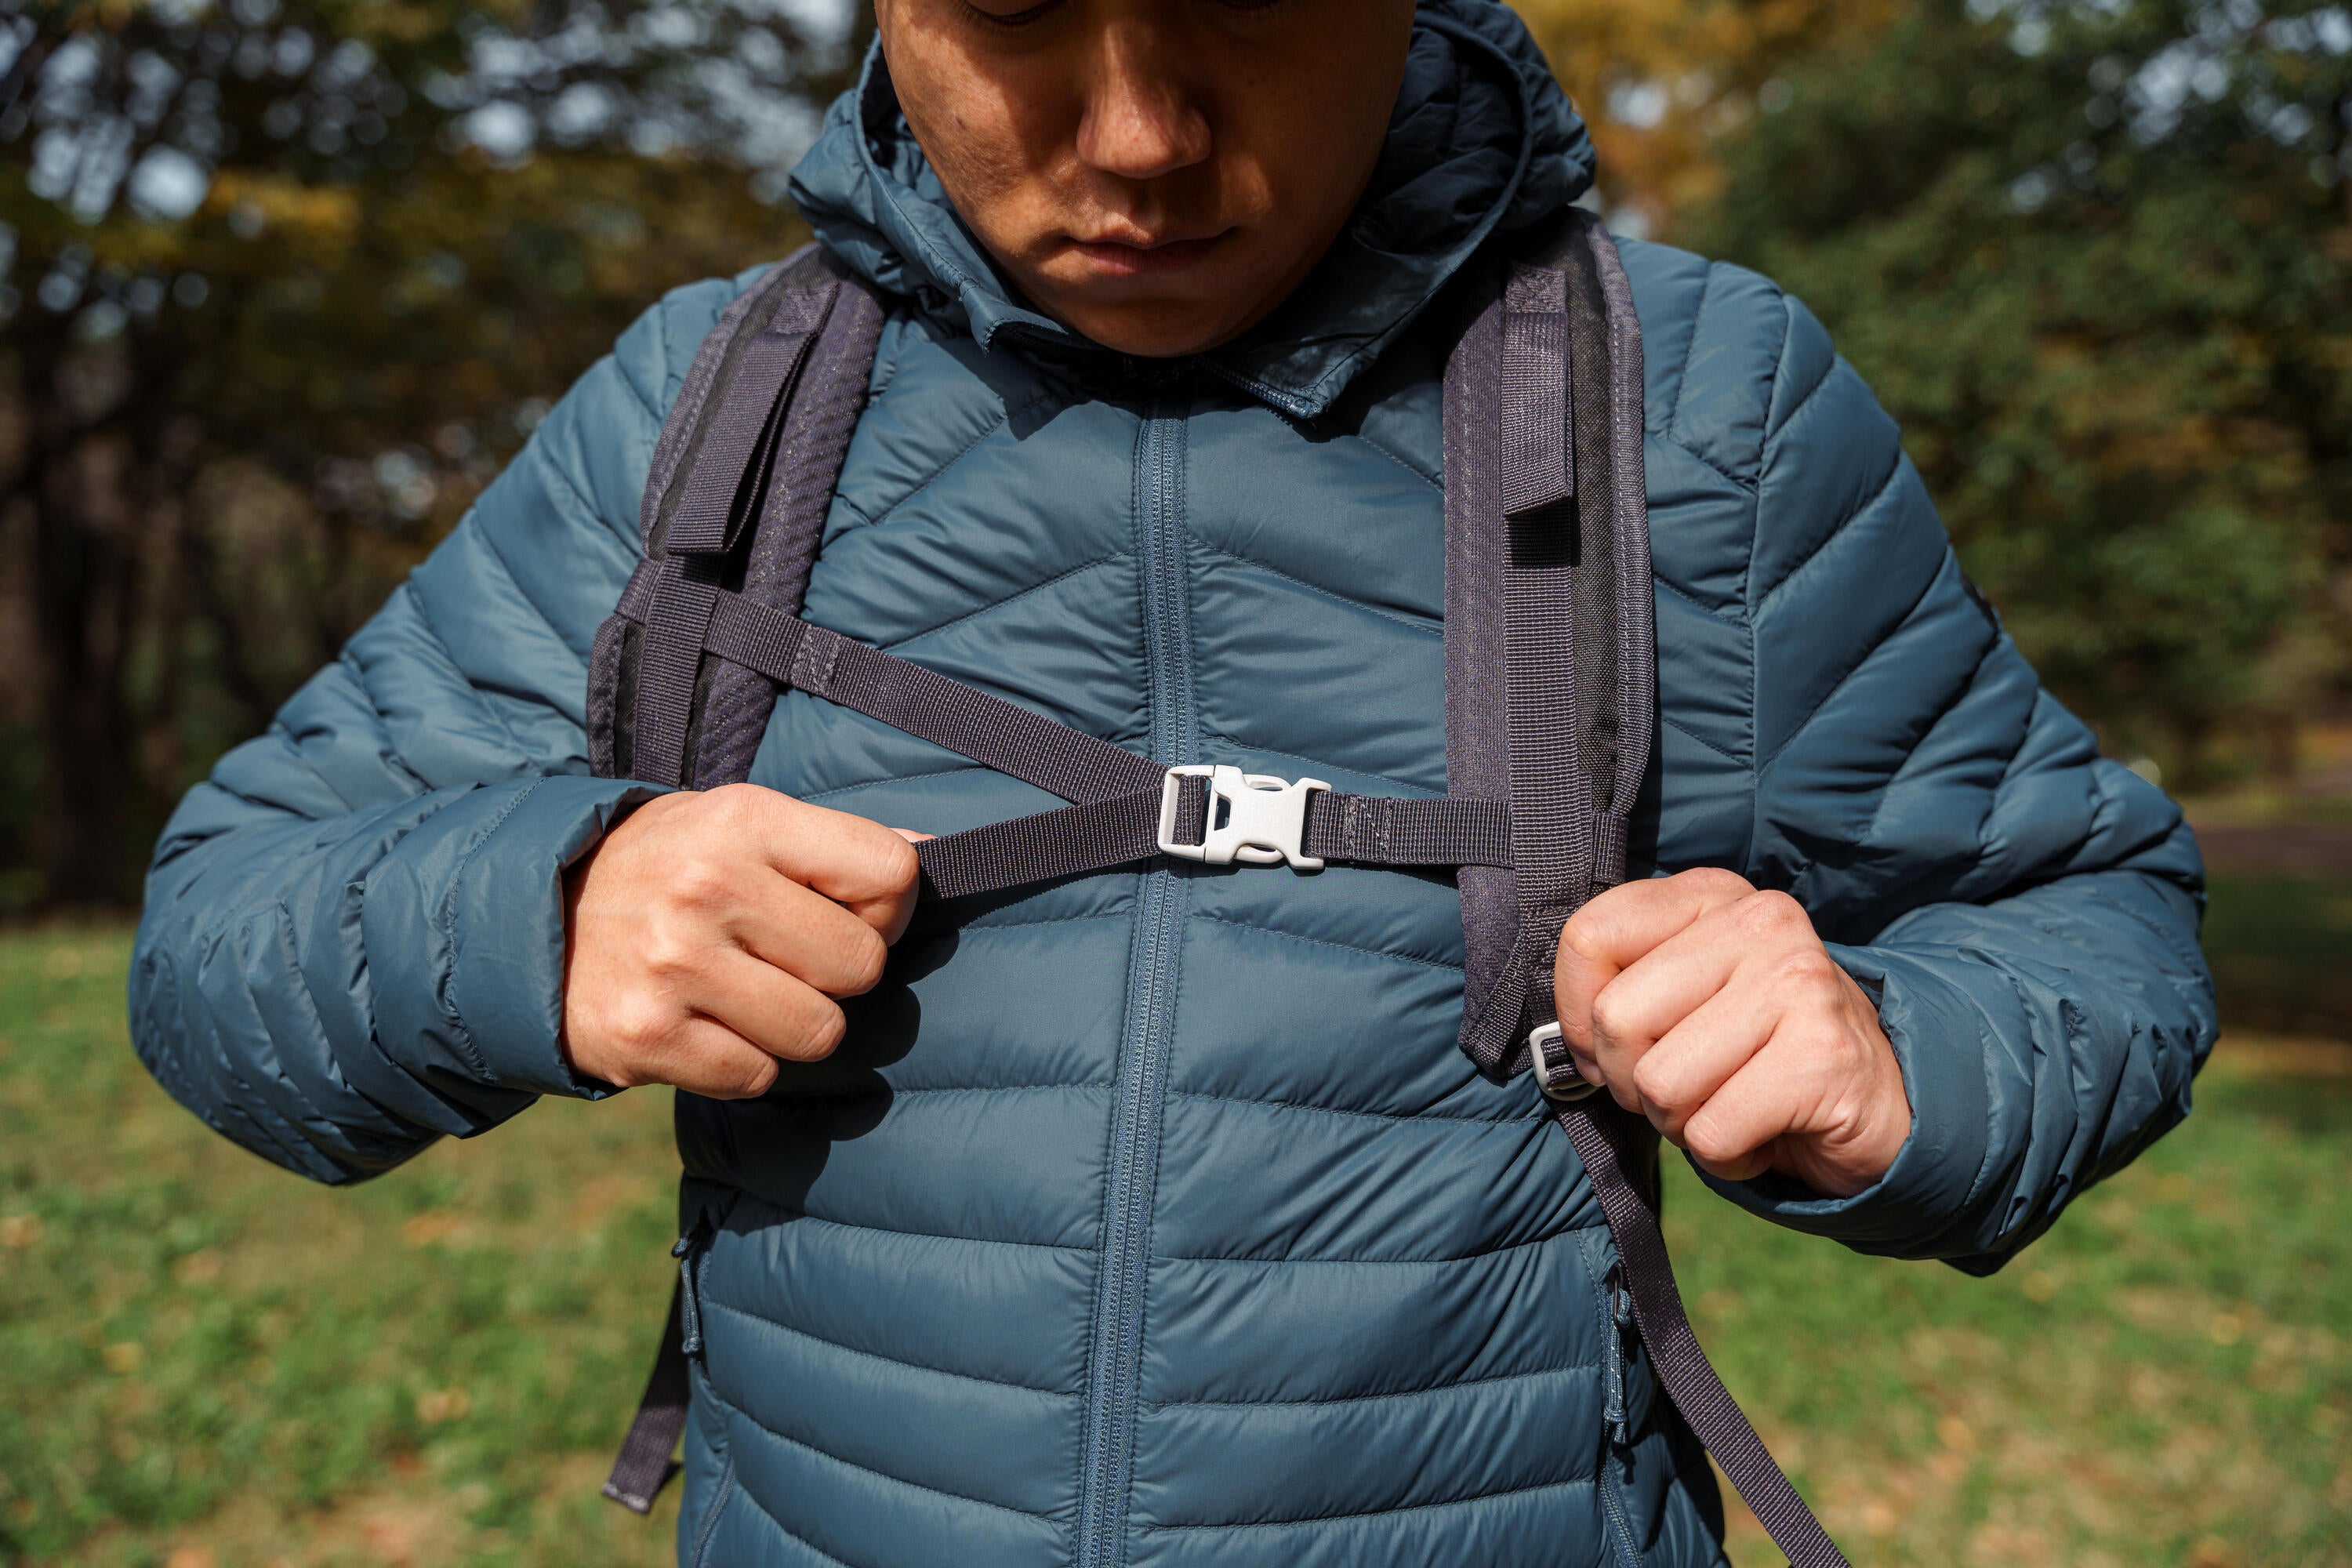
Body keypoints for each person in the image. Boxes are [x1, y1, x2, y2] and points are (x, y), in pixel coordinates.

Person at [129, 2, 2217, 1564]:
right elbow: (222, 936)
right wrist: (536, 909)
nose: (1139, 134)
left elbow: (2082, 910)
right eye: (1021, 10)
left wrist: (1902, 1070)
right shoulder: (708, 414)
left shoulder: (1702, 410)